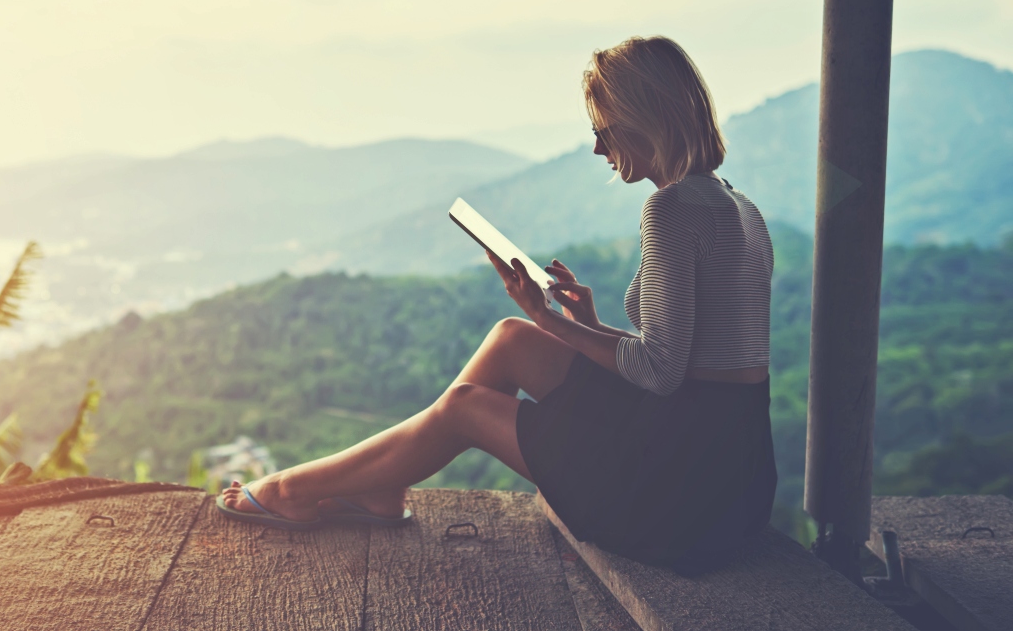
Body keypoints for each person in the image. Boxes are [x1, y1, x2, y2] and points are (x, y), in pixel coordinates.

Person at [218, 35, 777, 570]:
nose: (597, 148)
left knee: (466, 404)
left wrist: (550, 319)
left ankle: (294, 490)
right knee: (512, 337)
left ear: (643, 120)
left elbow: (660, 372)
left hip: (679, 497)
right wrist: (586, 324)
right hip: (731, 480)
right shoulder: (736, 205)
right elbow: (690, 361)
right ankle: (382, 486)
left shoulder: (673, 209)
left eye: (604, 130)